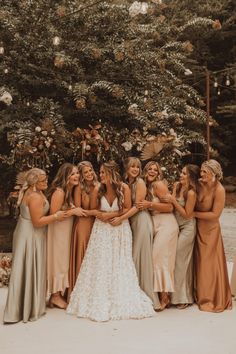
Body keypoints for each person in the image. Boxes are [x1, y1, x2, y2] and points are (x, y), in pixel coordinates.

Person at [67, 161, 154, 321]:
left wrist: (116, 216)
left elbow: (128, 207)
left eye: (102, 173)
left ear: (111, 173)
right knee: (101, 263)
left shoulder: (124, 188)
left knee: (120, 262)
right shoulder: (97, 188)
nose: (99, 176)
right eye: (99, 172)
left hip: (120, 228)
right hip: (101, 230)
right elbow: (94, 210)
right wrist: (102, 215)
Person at [3, 168, 67, 323]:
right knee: (27, 267)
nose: (46, 181)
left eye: (46, 178)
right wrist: (56, 216)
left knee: (27, 268)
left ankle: (26, 306)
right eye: (43, 180)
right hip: (30, 235)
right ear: (34, 182)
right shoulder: (34, 197)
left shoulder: (36, 192)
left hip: (29, 233)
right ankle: (23, 309)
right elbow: (38, 222)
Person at [110, 157, 160, 310]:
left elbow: (138, 206)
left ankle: (150, 297)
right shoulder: (125, 183)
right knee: (132, 257)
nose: (135, 169)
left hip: (141, 222)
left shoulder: (139, 183)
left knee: (141, 258)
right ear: (126, 168)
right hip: (132, 223)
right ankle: (133, 291)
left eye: (137, 167)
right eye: (132, 166)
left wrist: (120, 218)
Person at [137, 161, 179, 310]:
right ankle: (158, 295)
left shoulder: (158, 185)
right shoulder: (144, 186)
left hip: (167, 225)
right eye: (150, 169)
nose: (152, 171)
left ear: (159, 173)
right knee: (157, 260)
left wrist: (150, 205)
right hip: (157, 226)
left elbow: (170, 207)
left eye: (155, 169)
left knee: (159, 260)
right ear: (145, 170)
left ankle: (164, 297)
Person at [193, 159, 232, 312]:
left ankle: (211, 297)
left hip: (210, 230)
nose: (201, 174)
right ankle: (198, 293)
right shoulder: (199, 184)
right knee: (197, 262)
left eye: (205, 172)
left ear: (214, 174)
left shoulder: (220, 190)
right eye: (201, 171)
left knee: (208, 264)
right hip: (197, 227)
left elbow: (215, 214)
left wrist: (193, 214)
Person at [47, 163, 86, 309]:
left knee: (63, 261)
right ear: (65, 176)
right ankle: (55, 296)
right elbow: (54, 214)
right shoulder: (60, 192)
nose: (76, 176)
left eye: (77, 173)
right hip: (58, 232)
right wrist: (72, 212)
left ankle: (58, 294)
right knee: (58, 261)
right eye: (72, 174)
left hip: (65, 231)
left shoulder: (70, 191)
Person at [162, 164, 200, 309]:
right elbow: (171, 206)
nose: (181, 175)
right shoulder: (177, 186)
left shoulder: (191, 193)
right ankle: (172, 295)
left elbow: (187, 214)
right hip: (175, 225)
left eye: (184, 173)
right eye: (182, 172)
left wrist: (172, 201)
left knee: (179, 260)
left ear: (190, 177)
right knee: (174, 259)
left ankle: (182, 297)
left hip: (188, 228)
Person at [67, 161, 98, 300]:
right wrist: (97, 212)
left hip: (97, 224)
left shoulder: (99, 186)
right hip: (83, 224)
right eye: (85, 172)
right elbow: (79, 210)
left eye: (90, 170)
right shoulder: (79, 188)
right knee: (83, 255)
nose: (89, 174)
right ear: (81, 175)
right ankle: (79, 293)